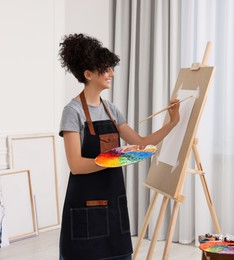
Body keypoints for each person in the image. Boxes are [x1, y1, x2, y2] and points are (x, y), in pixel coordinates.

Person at [58, 33, 180, 260]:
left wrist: (173, 122)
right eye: (105, 69)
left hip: (113, 200)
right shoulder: (72, 112)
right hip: (85, 203)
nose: (111, 73)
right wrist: (117, 158)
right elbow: (76, 165)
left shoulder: (111, 110)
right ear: (88, 74)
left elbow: (141, 143)